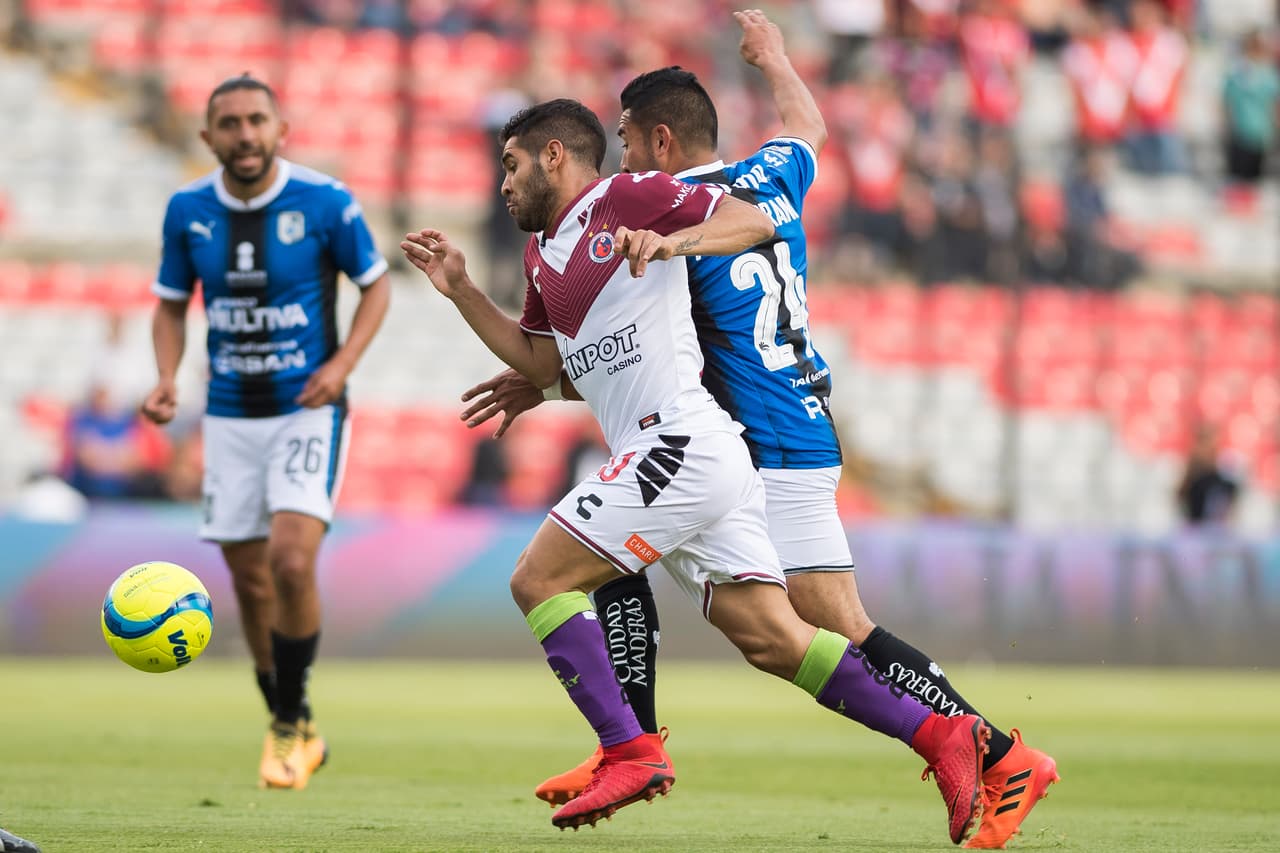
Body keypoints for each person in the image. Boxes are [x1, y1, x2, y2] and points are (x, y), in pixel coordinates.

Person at [457, 11, 1058, 849]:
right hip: (791, 419)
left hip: (759, 437)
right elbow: (807, 128)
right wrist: (775, 59)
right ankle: (630, 742)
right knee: (705, 595)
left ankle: (999, 752)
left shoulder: (668, 226)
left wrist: (651, 272)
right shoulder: (768, 167)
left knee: (825, 623)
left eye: (628, 142)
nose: (620, 160)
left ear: (660, 143)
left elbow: (639, 329)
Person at [140, 74, 391, 790]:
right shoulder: (187, 210)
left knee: (288, 558)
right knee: (248, 581)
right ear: (207, 136)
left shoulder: (325, 201)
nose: (244, 134)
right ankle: (293, 716)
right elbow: (167, 304)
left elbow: (376, 284)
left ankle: (286, 723)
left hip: (307, 407)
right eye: (230, 123)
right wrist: (167, 376)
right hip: (228, 416)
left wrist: (341, 364)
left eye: (257, 121)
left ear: (282, 130)